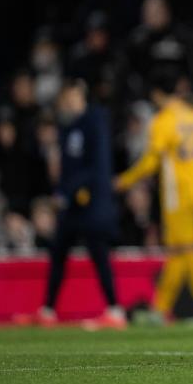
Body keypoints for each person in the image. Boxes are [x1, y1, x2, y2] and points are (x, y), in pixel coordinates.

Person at [114, 68, 193, 326]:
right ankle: (159, 309)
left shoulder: (163, 120)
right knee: (179, 252)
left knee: (186, 250)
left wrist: (125, 180)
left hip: (178, 194)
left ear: (157, 94)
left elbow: (151, 161)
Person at [35, 80, 125, 329]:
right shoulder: (68, 127)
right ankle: (48, 309)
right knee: (58, 252)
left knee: (98, 254)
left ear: (80, 95)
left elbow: (96, 166)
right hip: (72, 205)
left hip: (92, 203)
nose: (68, 102)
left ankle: (115, 310)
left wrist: (66, 192)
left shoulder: (94, 123)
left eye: (71, 97)